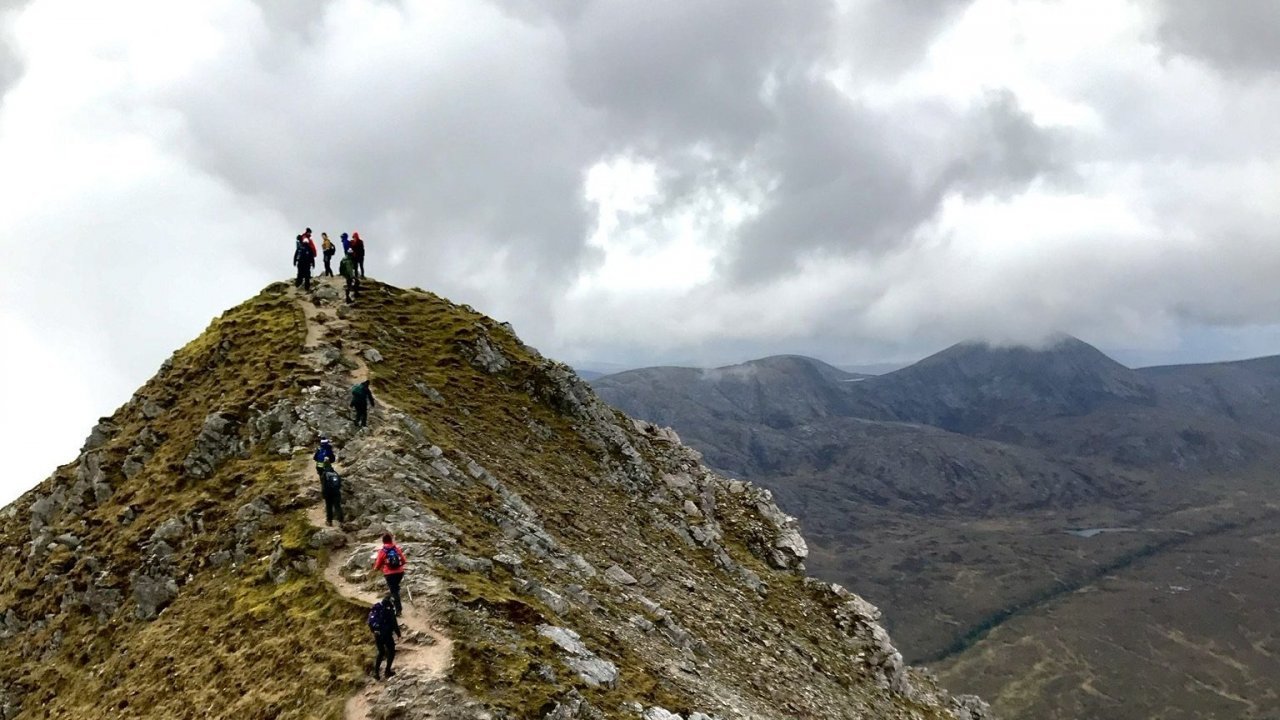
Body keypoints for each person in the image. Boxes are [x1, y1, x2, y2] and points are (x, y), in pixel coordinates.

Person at [367, 595, 401, 680]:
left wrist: (374, 631)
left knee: (381, 652)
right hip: (386, 634)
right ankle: (387, 671)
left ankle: (376, 673)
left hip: (377, 634)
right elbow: (394, 623)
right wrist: (398, 634)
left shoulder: (377, 607)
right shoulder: (389, 610)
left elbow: (370, 622)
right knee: (391, 651)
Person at [373, 533, 406, 616]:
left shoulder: (382, 551)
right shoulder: (397, 549)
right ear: (391, 540)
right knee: (395, 588)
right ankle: (392, 602)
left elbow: (378, 564)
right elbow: (404, 560)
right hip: (400, 573)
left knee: (394, 591)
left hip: (389, 574)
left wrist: (376, 569)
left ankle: (398, 610)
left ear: (383, 541)